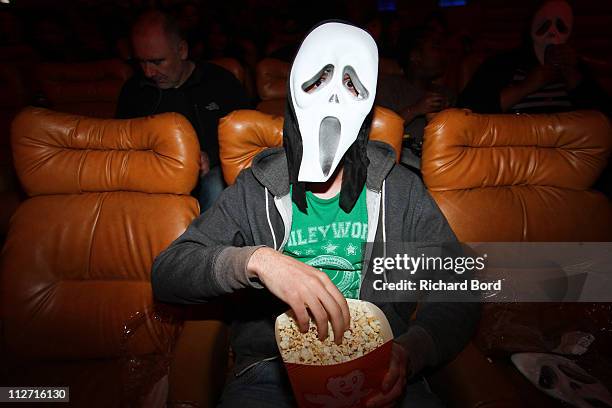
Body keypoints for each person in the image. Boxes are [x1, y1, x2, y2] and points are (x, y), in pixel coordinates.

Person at [152, 22, 479, 407]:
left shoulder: (399, 189)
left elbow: (461, 284)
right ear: (295, 92)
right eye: (317, 83)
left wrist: (411, 352)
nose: (334, 100)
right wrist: (257, 261)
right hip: (272, 373)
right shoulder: (256, 189)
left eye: (352, 86)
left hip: (382, 368)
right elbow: (168, 273)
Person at [115, 10, 249, 212]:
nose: (148, 72)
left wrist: (211, 157)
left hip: (212, 177)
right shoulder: (134, 91)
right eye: (141, 62)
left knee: (217, 183)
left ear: (182, 50)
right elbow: (119, 147)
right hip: (152, 182)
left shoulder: (220, 82)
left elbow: (249, 137)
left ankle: (211, 244)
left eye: (157, 62)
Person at [458, 0, 610, 115]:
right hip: (516, 152)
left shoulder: (578, 69)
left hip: (570, 153)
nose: (552, 34)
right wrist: (528, 86)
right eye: (544, 25)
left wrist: (572, 75)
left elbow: (602, 119)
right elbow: (469, 110)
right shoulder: (502, 64)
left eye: (561, 26)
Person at [376, 26, 454, 171]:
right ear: (415, 56)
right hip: (403, 163)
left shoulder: (445, 93)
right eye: (435, 48)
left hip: (441, 161)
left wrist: (449, 116)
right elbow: (379, 132)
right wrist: (417, 109)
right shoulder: (390, 86)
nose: (443, 55)